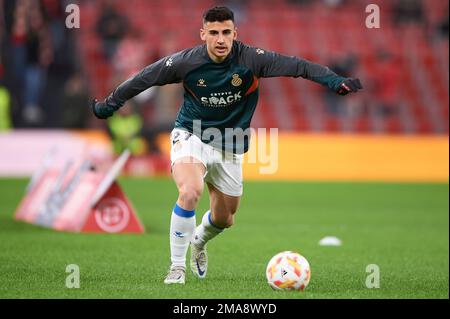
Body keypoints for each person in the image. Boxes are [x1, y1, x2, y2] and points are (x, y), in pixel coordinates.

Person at [91, 6, 362, 284]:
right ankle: (176, 268)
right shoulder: (187, 62)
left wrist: (335, 81)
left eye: (226, 33)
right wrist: (110, 103)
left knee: (225, 218)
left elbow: (299, 66)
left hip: (230, 145)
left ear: (235, 33)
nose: (220, 39)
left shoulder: (252, 60)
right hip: (191, 135)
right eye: (214, 33)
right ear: (203, 34)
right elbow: (144, 77)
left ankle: (198, 241)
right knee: (190, 192)